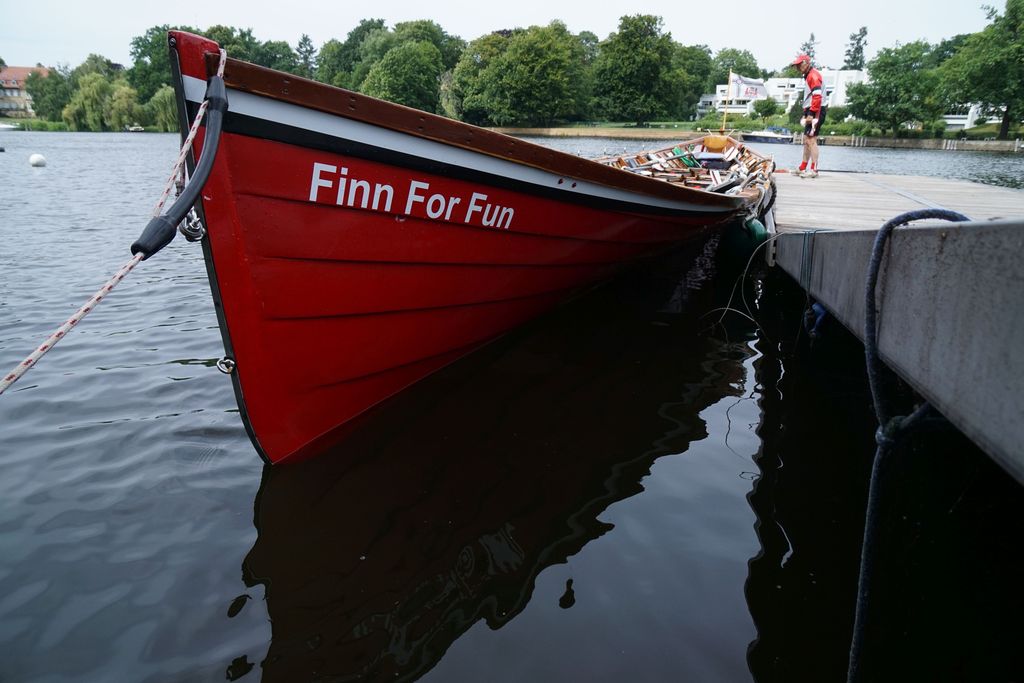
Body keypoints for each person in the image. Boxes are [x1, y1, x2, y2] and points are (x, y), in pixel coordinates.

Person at [791, 53, 827, 178]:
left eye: (800, 64)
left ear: (806, 63)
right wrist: (805, 112)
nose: (797, 67)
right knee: (807, 140)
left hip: (816, 110)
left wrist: (811, 114)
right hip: (811, 109)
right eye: (796, 65)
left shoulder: (813, 75)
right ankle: (802, 167)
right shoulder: (808, 76)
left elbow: (817, 96)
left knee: (811, 140)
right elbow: (810, 97)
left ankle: (814, 169)